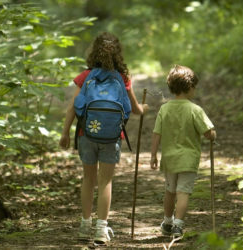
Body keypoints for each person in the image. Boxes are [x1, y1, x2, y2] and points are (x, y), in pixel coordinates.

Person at [59, 32, 147, 245]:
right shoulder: (123, 78)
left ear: (94, 51)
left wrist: (65, 133)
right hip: (111, 136)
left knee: (88, 179)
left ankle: (84, 225)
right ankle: (101, 229)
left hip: (86, 134)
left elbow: (73, 106)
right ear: (118, 53)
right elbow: (135, 109)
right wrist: (143, 108)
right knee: (105, 181)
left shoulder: (85, 75)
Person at [150, 65, 216, 238]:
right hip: (188, 159)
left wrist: (153, 155)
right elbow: (208, 133)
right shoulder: (195, 110)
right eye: (194, 86)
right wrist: (213, 135)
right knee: (183, 192)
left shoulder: (164, 109)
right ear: (189, 87)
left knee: (170, 191)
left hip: (170, 159)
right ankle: (178, 226)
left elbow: (156, 133)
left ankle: (167, 222)